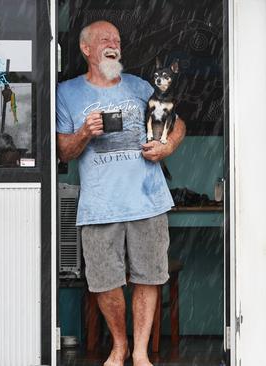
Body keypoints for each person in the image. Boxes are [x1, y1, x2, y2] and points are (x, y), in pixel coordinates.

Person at [56, 20, 186, 366]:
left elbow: (178, 122)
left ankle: (141, 351)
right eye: (105, 40)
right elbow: (64, 151)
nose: (114, 45)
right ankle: (120, 345)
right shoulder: (66, 93)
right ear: (86, 49)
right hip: (99, 205)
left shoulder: (140, 86)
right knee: (103, 282)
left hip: (147, 200)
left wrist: (166, 147)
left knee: (149, 276)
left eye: (117, 40)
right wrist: (84, 132)